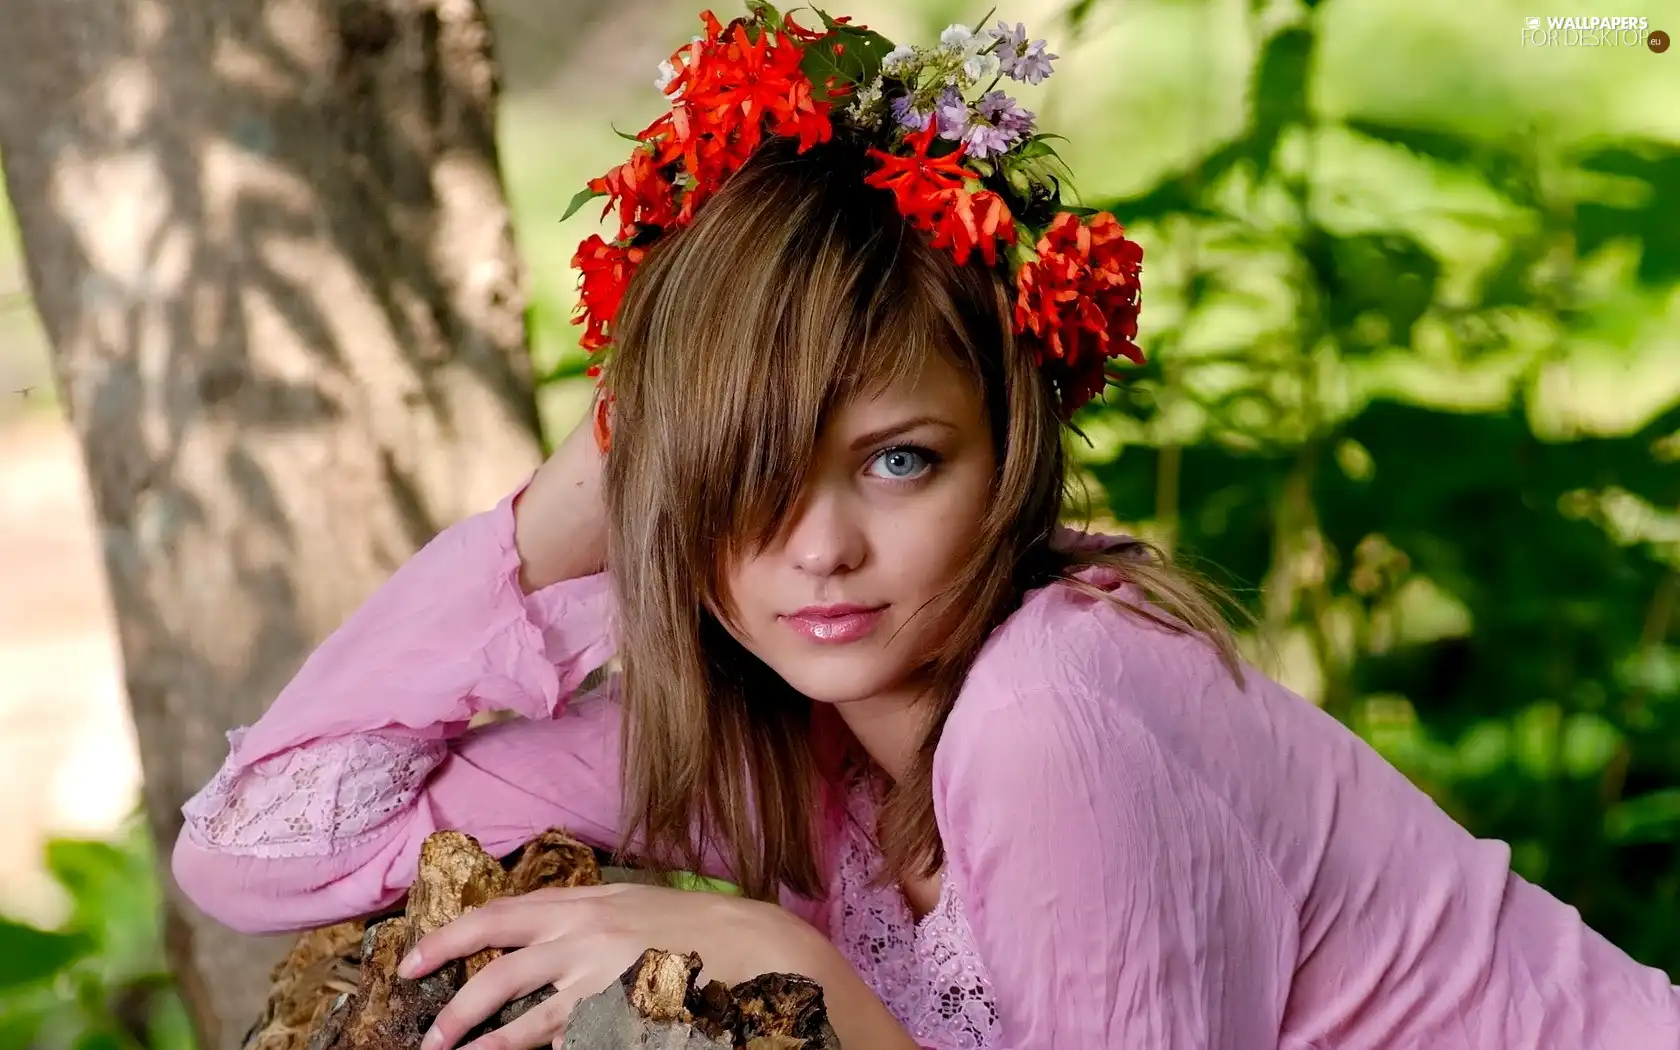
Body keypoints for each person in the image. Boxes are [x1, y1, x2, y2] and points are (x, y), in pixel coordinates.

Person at [173, 7, 1680, 1049]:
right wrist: (588, 487)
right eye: (749, 471)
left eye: (896, 462)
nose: (815, 547)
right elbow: (262, 846)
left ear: (1009, 453)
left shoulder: (1050, 709)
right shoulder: (778, 710)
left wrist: (806, 973)